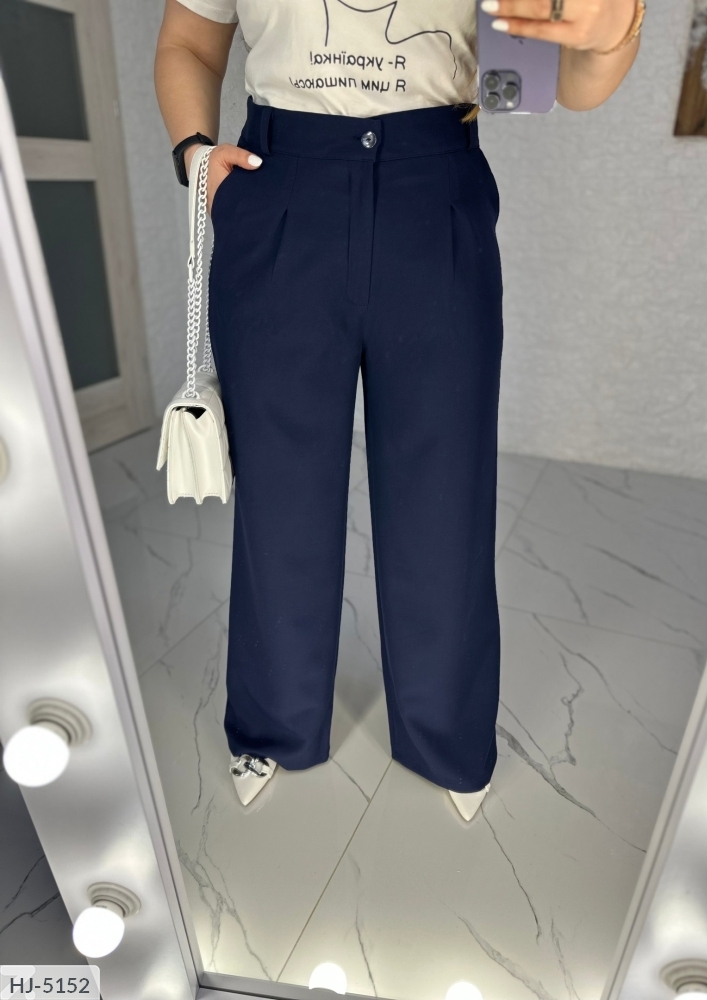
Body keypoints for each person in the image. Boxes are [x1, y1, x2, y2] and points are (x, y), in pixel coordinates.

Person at [154, 0, 641, 822]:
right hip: (279, 187)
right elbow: (188, 43)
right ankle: (274, 725)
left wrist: (615, 33)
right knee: (279, 491)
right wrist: (196, 156)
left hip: (434, 183)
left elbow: (548, 79)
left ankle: (446, 734)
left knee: (445, 490)